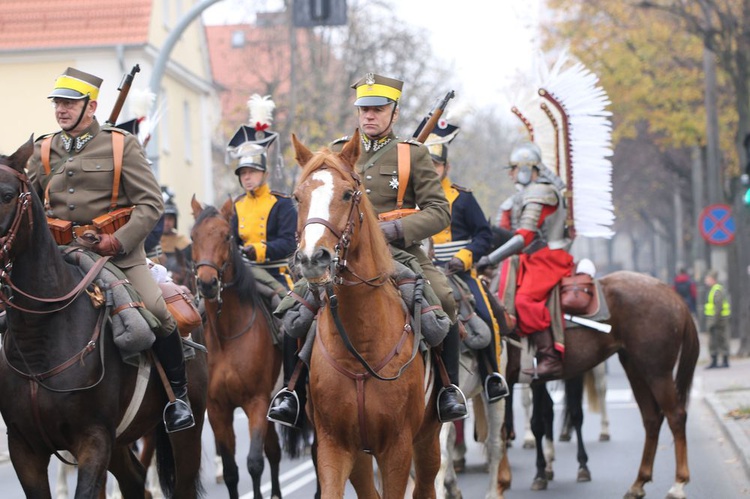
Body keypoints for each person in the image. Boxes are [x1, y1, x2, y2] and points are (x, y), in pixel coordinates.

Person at [27, 67, 194, 432]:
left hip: (116, 254)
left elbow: (150, 204)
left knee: (156, 311)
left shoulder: (121, 144)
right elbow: (28, 204)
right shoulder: (43, 148)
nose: (61, 109)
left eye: (70, 103)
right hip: (58, 254)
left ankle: (177, 397)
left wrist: (117, 240)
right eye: (58, 102)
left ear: (92, 106)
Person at [335, 72, 469, 422]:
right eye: (364, 109)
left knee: (445, 298)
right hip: (343, 255)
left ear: (394, 113)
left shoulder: (412, 155)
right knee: (298, 304)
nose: (369, 116)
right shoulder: (338, 153)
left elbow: (440, 211)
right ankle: (293, 391)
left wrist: (395, 229)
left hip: (398, 252)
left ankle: (447, 388)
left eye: (378, 109)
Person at [223, 101, 300, 427]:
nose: (247, 177)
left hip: (277, 275)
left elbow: (289, 241)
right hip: (243, 275)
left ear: (264, 173)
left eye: (252, 172)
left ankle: (292, 386)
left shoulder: (282, 204)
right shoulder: (236, 206)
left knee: (294, 321)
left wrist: (259, 250)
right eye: (242, 173)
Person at [424, 122, 508, 402]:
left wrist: (465, 256)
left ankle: (492, 376)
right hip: (420, 271)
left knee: (486, 317)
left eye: (436, 165)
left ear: (446, 168)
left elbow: (484, 235)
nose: (432, 171)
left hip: (460, 274)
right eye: (427, 165)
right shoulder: (411, 200)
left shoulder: (464, 198)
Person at [477, 141, 574, 380]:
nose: (511, 174)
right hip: (527, 259)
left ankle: (549, 355)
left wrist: (490, 258)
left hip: (548, 257)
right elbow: (504, 232)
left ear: (525, 168)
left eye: (513, 168)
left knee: (523, 301)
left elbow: (525, 236)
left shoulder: (542, 192)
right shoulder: (519, 197)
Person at [703, 269, 731, 369]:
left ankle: (723, 361)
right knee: (714, 341)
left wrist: (713, 322)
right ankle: (716, 361)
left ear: (713, 279)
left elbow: (718, 307)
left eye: (708, 278)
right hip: (717, 320)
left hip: (718, 321)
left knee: (720, 340)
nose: (706, 280)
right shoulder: (714, 289)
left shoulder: (716, 290)